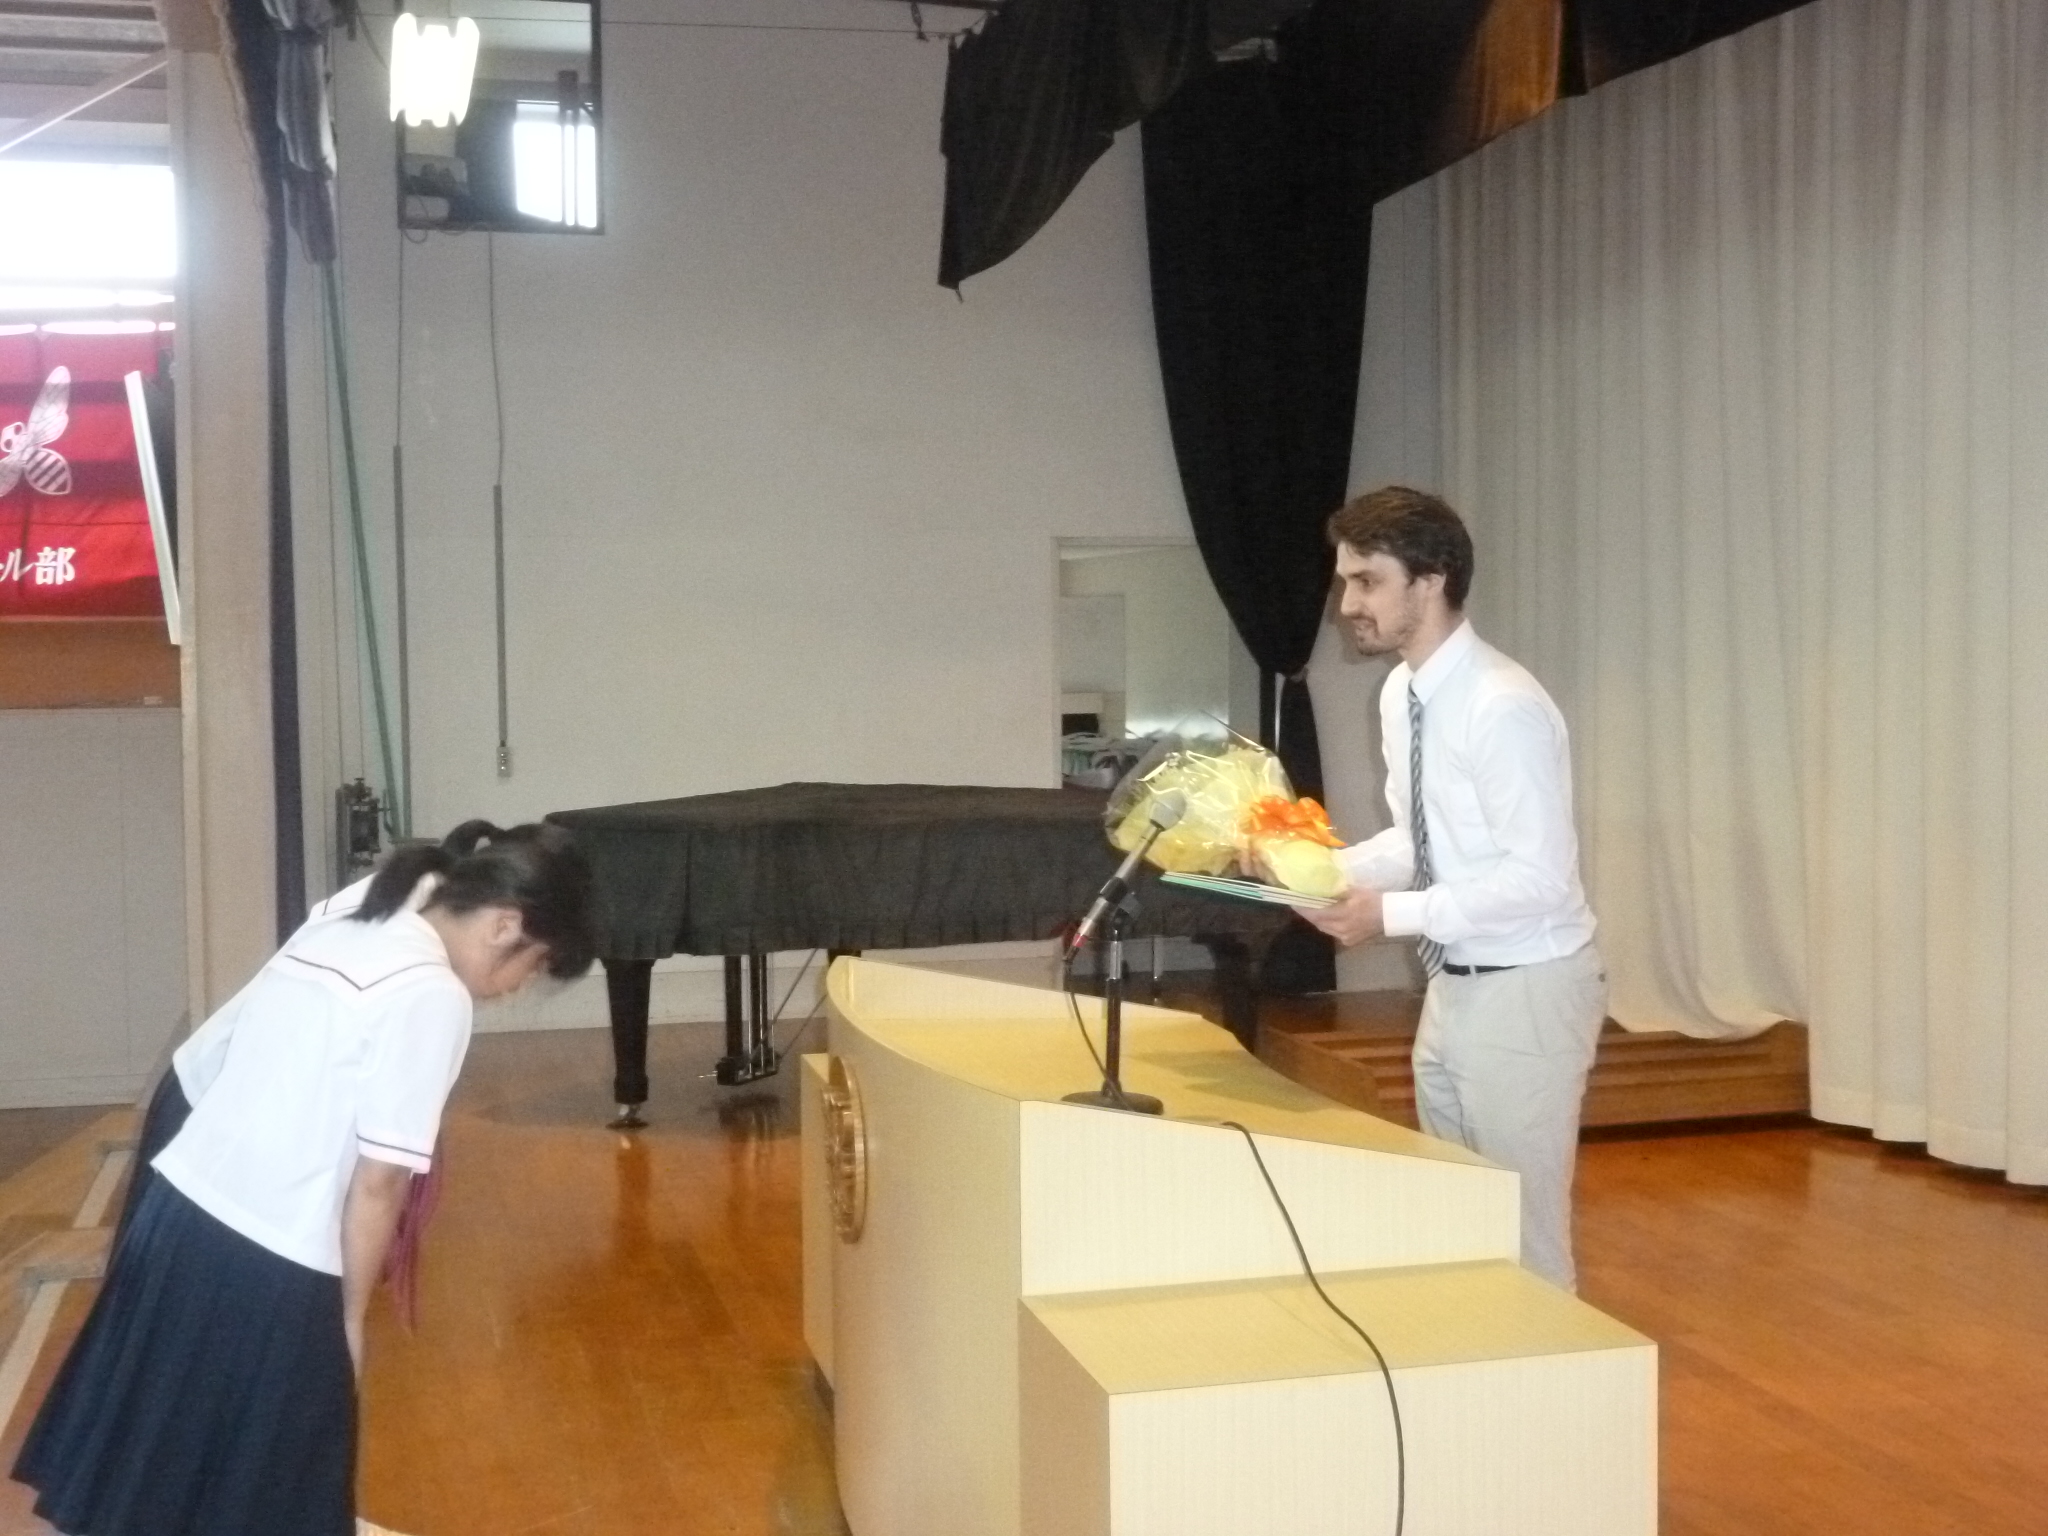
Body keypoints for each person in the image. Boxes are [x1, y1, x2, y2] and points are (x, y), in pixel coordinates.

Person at [15, 820, 597, 1536]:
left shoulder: (371, 908)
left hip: (181, 1199)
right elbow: (380, 1183)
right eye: (533, 965)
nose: (516, 987)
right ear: (505, 924)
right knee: (284, 1460)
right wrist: (346, 1319)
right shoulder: (434, 994)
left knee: (149, 1445)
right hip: (267, 1242)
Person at [1302, 487, 1604, 1291]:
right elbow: (1420, 841)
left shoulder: (1501, 705)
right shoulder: (1401, 692)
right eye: (1346, 581)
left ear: (1430, 580)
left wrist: (1388, 915)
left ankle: (1546, 1370)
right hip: (1456, 983)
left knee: (1526, 1242)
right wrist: (1315, 873)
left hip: (1528, 987)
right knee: (1464, 1221)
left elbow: (1539, 880)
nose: (1347, 604)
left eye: (1367, 581)